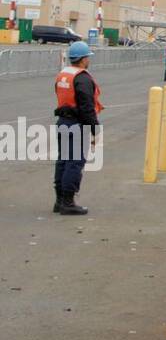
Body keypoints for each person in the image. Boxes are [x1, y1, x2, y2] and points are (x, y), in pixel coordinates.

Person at [53, 41, 101, 215]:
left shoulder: (63, 74)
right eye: (88, 57)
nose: (88, 60)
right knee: (74, 163)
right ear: (83, 59)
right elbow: (87, 107)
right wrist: (95, 128)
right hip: (75, 124)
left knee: (63, 162)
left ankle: (59, 201)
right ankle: (68, 202)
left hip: (62, 122)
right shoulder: (82, 78)